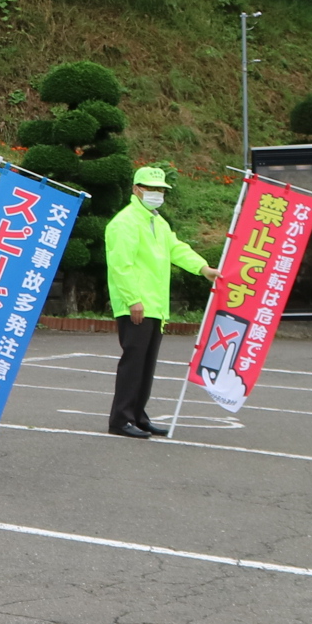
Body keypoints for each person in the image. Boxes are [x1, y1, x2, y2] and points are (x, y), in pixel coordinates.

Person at [103, 164, 215, 439]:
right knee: (133, 362)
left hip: (155, 306)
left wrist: (203, 268)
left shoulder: (157, 221)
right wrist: (133, 300)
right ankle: (121, 419)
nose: (156, 193)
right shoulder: (124, 222)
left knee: (146, 363)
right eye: (151, 188)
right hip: (137, 304)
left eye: (161, 189)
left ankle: (138, 416)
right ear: (136, 189)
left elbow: (177, 248)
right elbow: (121, 266)